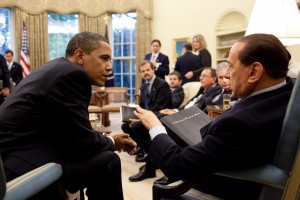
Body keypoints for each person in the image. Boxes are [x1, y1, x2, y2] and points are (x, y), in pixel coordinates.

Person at [133, 33, 293, 199]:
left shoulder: (241, 124)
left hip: (222, 182)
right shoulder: (288, 90)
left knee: (156, 130)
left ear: (254, 72)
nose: (227, 76)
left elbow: (176, 166)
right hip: (223, 153)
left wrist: (155, 127)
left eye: (230, 67)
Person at [0, 32, 137, 200]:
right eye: (104, 58)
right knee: (108, 160)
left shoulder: (58, 68)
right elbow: (83, 143)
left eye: (110, 60)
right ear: (79, 56)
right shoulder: (72, 75)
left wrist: (103, 138)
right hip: (23, 166)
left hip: (18, 154)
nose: (109, 67)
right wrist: (112, 141)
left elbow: (70, 130)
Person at [121, 60, 172, 163]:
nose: (145, 73)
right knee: (125, 125)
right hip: (147, 115)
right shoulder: (143, 87)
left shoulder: (162, 84)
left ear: (153, 70)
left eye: (148, 70)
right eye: (143, 71)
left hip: (160, 116)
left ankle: (148, 152)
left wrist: (140, 118)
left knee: (137, 125)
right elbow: (141, 106)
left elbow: (160, 107)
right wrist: (133, 116)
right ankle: (142, 147)